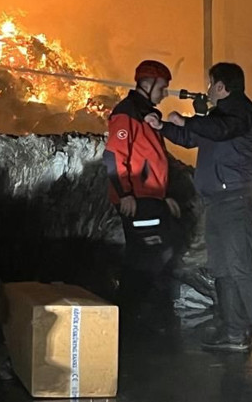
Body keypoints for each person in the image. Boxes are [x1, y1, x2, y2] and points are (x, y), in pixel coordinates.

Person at [146, 62, 252, 352]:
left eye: (211, 84)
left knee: (242, 269)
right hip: (217, 203)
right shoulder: (216, 117)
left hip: (235, 201)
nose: (208, 89)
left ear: (222, 86)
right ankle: (234, 333)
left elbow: (219, 129)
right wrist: (164, 127)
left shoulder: (241, 112)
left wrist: (189, 120)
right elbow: (191, 137)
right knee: (222, 269)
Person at [103, 60, 182, 318]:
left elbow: (152, 158)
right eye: (163, 87)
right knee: (149, 256)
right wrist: (125, 193)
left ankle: (134, 315)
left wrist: (164, 195)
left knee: (155, 253)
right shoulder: (127, 113)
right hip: (137, 198)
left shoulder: (145, 114)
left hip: (150, 197)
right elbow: (114, 156)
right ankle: (131, 316)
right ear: (147, 85)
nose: (165, 93)